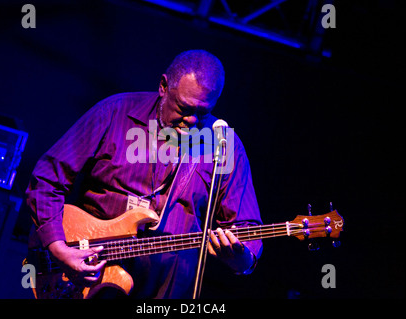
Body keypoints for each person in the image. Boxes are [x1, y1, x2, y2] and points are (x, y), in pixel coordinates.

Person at [26, 50, 263, 298]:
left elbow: (245, 229)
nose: (191, 120)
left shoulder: (224, 144)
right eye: (183, 107)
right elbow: (47, 180)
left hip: (167, 287)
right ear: (163, 86)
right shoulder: (115, 112)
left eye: (202, 113)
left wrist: (240, 258)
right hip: (89, 273)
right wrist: (58, 247)